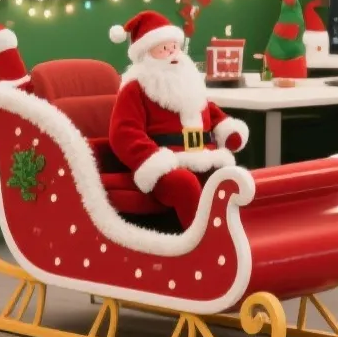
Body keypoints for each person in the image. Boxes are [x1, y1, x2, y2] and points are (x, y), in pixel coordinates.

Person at [107, 11, 250, 226]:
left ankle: (241, 235)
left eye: (175, 47)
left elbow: (208, 109)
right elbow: (124, 132)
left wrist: (226, 128)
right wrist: (154, 159)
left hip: (204, 155)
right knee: (184, 183)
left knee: (232, 178)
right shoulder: (136, 88)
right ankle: (202, 245)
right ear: (146, 54)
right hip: (168, 163)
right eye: (164, 49)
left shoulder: (188, 81)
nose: (173, 54)